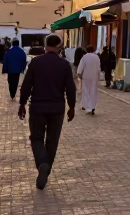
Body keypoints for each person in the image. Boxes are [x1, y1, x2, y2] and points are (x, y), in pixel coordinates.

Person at [18, 34, 76, 189]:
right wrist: (72, 106)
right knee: (52, 140)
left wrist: (22, 104)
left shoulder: (36, 63)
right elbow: (70, 88)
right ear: (59, 46)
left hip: (37, 107)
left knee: (36, 138)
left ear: (45, 46)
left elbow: (26, 85)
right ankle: (46, 168)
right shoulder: (64, 64)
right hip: (57, 108)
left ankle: (42, 163)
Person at [76, 45, 101, 115]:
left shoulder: (85, 57)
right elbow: (99, 68)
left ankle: (87, 106)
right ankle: (92, 106)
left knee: (86, 91)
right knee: (93, 92)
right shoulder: (97, 57)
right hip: (94, 77)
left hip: (86, 76)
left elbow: (81, 67)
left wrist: (79, 74)